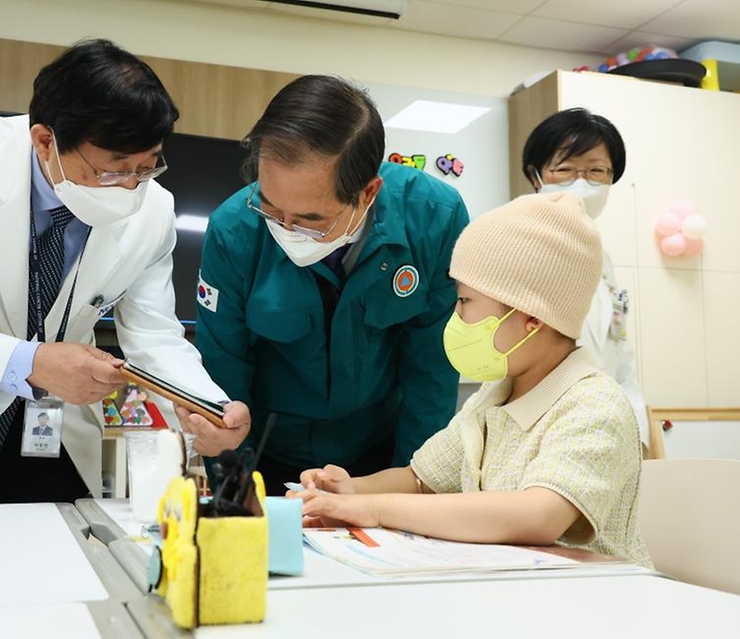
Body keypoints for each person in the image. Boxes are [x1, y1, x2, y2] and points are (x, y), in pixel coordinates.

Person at [0, 39, 249, 506]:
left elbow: (155, 335)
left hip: (53, 429)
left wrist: (208, 406)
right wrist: (32, 364)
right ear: (44, 140)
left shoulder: (154, 210)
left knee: (58, 565)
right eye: (112, 172)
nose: (132, 187)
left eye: (148, 166)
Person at [293, 193, 652, 568]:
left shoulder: (594, 405)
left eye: (465, 301)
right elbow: (420, 479)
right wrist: (349, 489)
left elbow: (538, 516)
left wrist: (372, 508)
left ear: (532, 316)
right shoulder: (494, 397)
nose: (456, 314)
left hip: (599, 606)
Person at [191, 75, 470, 496]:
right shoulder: (235, 229)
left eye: (309, 219)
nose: (285, 230)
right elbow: (224, 371)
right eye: (269, 207)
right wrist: (235, 491)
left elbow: (430, 373)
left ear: (368, 192)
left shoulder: (433, 218)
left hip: (382, 457)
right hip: (266, 451)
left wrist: (412, 496)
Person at [522, 108, 648, 446]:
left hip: (606, 425)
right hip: (542, 427)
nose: (582, 183)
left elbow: (619, 352)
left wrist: (640, 433)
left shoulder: (601, 257)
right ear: (536, 177)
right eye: (564, 170)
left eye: (596, 171)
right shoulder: (515, 245)